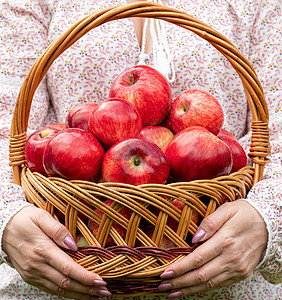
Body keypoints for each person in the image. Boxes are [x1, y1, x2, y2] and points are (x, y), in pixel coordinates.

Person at [0, 0, 281, 299]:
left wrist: (267, 219)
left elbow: (274, 135)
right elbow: (9, 131)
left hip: (225, 280)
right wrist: (7, 220)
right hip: (67, 261)